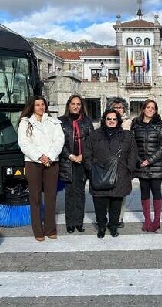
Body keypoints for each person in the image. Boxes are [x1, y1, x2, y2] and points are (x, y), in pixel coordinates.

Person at [83, 109, 137, 238]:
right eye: (109, 119)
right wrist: (91, 168)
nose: (111, 121)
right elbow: (87, 153)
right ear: (104, 120)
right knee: (100, 204)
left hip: (120, 175)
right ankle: (101, 226)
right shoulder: (94, 135)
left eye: (114, 119)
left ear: (118, 121)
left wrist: (128, 169)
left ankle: (113, 226)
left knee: (115, 204)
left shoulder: (127, 135)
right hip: (99, 174)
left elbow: (133, 154)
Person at [17, 96, 64, 242]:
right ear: (32, 107)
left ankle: (50, 229)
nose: (41, 107)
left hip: (51, 162)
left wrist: (49, 156)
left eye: (43, 104)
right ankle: (38, 230)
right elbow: (24, 143)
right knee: (35, 198)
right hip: (33, 163)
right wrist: (40, 157)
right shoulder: (25, 123)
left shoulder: (54, 121)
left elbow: (59, 140)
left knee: (50, 197)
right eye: (37, 105)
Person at [131, 99, 162, 232]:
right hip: (141, 165)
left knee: (156, 191)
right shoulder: (136, 124)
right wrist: (140, 160)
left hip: (156, 165)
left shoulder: (160, 126)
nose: (150, 109)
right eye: (148, 107)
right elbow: (132, 144)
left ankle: (156, 221)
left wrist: (150, 160)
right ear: (143, 109)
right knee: (144, 191)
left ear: (156, 110)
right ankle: (147, 220)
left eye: (153, 108)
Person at [58, 94, 93, 234]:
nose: (75, 106)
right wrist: (71, 156)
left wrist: (83, 156)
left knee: (80, 193)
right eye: (73, 104)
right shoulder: (61, 122)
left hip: (82, 162)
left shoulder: (87, 121)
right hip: (68, 161)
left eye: (78, 104)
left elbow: (91, 142)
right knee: (70, 193)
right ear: (69, 105)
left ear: (81, 106)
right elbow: (59, 143)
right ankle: (70, 223)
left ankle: (79, 222)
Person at [108, 97, 132, 228]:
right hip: (109, 162)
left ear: (124, 109)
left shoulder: (129, 123)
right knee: (108, 190)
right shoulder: (106, 121)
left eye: (120, 107)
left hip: (123, 162)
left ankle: (120, 217)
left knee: (121, 192)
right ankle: (110, 216)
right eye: (115, 107)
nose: (118, 110)